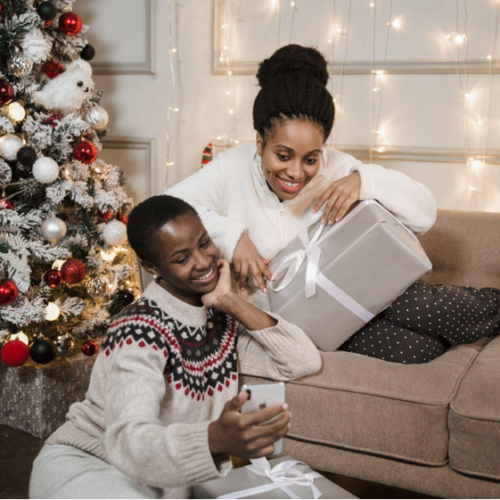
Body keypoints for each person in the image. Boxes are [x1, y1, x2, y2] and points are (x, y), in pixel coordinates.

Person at [167, 44, 500, 364]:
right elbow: (165, 207)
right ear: (259, 141)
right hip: (308, 322)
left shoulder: (338, 167)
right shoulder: (232, 168)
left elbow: (425, 214)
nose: (296, 172)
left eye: (310, 158)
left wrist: (364, 180)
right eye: (282, 156)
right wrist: (232, 236)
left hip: (360, 287)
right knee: (421, 350)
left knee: (417, 307)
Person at [29, 195, 322, 499]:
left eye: (204, 243)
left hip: (158, 480)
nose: (203, 261)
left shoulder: (221, 321)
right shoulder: (138, 331)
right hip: (90, 464)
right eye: (182, 259)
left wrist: (230, 301)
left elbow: (301, 360)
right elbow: (130, 441)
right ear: (151, 266)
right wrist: (213, 439)